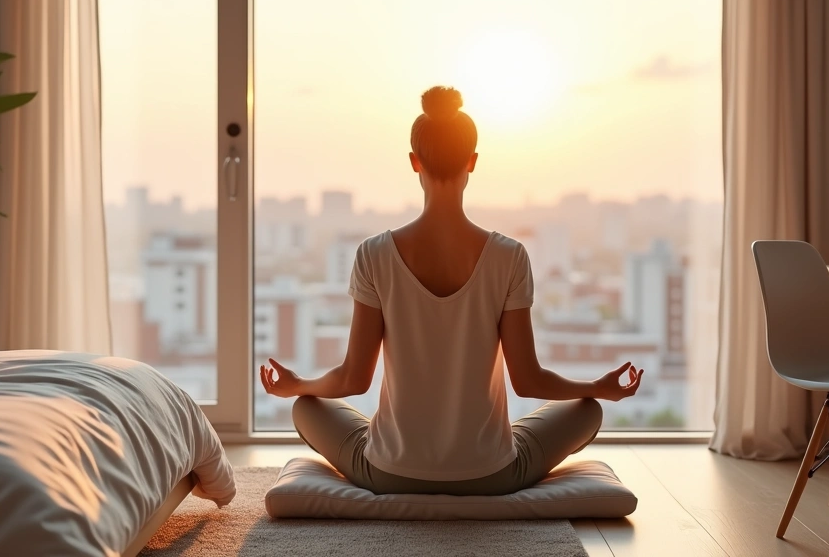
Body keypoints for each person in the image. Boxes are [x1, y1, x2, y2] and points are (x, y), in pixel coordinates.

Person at [259, 86, 641, 496]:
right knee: (586, 412)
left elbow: (354, 379)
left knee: (306, 407)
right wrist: (596, 388)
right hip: (490, 475)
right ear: (472, 162)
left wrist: (298, 384)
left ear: (413, 162)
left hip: (388, 471)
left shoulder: (373, 255)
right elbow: (529, 381)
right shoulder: (509, 256)